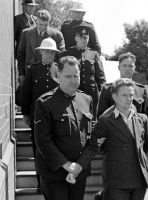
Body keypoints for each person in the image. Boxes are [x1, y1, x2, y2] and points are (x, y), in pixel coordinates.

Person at [71, 78, 148, 200]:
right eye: (124, 95)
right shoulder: (105, 121)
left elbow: (144, 147)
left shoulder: (143, 119)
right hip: (116, 180)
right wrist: (77, 168)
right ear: (115, 97)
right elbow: (92, 147)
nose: (129, 99)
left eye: (131, 95)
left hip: (139, 179)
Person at [34, 56, 93, 200]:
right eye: (68, 76)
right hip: (54, 174)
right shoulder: (45, 103)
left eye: (76, 76)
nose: (73, 80)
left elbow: (90, 137)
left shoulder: (87, 100)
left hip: (79, 172)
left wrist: (79, 165)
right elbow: (43, 140)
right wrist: (66, 164)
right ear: (58, 75)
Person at [21, 37, 60, 189]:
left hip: (56, 117)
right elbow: (26, 93)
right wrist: (25, 113)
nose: (49, 54)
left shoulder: (59, 69)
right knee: (38, 149)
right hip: (37, 117)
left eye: (52, 52)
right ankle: (41, 182)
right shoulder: (33, 69)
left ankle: (54, 179)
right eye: (47, 51)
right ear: (41, 52)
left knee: (55, 147)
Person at [59, 25, 106, 119]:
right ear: (76, 38)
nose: (83, 40)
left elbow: (100, 76)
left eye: (86, 38)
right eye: (81, 37)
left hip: (92, 94)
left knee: (92, 119)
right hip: (75, 92)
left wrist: (103, 92)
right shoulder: (68, 53)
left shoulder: (94, 54)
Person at [17, 9, 65, 84]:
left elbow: (61, 58)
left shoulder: (57, 35)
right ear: (36, 21)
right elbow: (21, 55)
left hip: (50, 76)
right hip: (29, 74)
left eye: (45, 25)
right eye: (40, 24)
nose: (43, 27)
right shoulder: (25, 33)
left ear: (49, 22)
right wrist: (21, 74)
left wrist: (58, 75)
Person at [98, 52, 148, 118]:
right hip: (114, 127)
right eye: (124, 66)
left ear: (134, 68)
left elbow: (146, 118)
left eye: (130, 66)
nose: (127, 69)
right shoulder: (108, 89)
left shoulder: (141, 90)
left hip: (136, 127)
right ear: (119, 67)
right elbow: (101, 117)